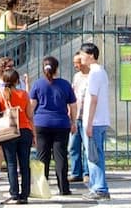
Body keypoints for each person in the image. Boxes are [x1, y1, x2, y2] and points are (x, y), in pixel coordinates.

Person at [30, 56, 78, 196]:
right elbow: (73, 106)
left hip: (41, 123)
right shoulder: (65, 84)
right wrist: (73, 121)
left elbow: (31, 106)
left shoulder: (37, 84)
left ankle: (41, 187)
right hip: (61, 123)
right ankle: (64, 188)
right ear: (56, 68)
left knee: (42, 156)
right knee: (61, 156)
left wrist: (30, 122)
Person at [0, 67, 35, 204]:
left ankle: (14, 192)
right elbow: (30, 115)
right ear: (17, 81)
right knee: (24, 163)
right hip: (25, 130)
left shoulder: (0, 95)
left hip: (9, 131)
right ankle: (25, 194)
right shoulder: (23, 94)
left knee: (11, 163)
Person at [78, 43, 113, 201]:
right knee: (95, 154)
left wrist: (89, 122)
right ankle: (96, 186)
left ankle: (99, 188)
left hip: (95, 121)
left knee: (93, 156)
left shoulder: (94, 73)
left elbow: (93, 99)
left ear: (91, 55)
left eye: (83, 54)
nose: (80, 57)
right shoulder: (100, 72)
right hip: (100, 120)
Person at [67, 51, 91, 185]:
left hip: (87, 115)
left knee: (87, 146)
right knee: (73, 146)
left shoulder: (92, 75)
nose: (75, 65)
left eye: (77, 62)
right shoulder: (77, 77)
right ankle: (76, 172)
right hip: (76, 115)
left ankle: (87, 172)